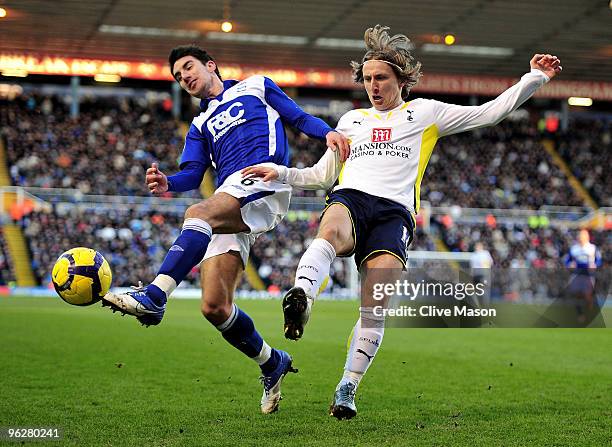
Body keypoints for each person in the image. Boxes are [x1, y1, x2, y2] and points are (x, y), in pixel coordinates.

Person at [242, 24, 562, 419]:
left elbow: (488, 113)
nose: (373, 86)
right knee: (330, 229)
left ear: (400, 80)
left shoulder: (424, 112)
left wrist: (534, 78)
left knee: (375, 306)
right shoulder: (350, 121)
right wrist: (281, 172)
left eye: (381, 78)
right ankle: (303, 297)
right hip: (351, 198)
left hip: (395, 213)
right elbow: (323, 176)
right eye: (368, 79)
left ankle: (347, 387)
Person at [101, 45, 350, 414]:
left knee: (197, 211)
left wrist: (327, 132)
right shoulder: (199, 125)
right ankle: (272, 362)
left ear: (210, 65)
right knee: (215, 307)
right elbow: (192, 173)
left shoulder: (256, 86)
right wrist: (167, 180)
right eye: (178, 76)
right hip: (228, 199)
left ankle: (155, 296)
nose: (184, 77)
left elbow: (297, 118)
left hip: (262, 180)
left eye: (188, 67)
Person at [564, 229, 602, 322]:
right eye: (579, 236)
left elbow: (599, 260)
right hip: (577, 274)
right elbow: (567, 260)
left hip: (588, 274)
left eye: (583, 236)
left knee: (587, 295)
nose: (580, 238)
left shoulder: (592, 248)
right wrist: (570, 264)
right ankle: (580, 315)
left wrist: (595, 265)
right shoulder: (574, 248)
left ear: (587, 237)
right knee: (576, 294)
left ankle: (589, 312)